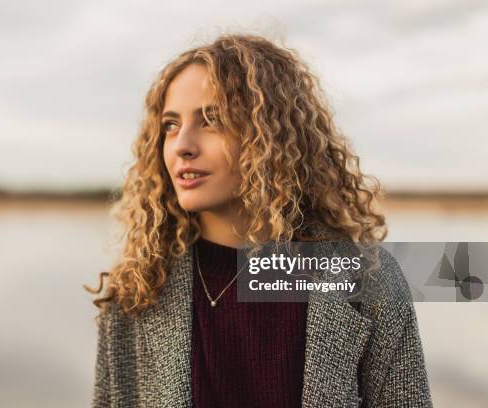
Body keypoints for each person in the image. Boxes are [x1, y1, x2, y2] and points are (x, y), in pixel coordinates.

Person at [86, 33, 433, 407]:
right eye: (170, 125)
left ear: (271, 134)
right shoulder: (136, 292)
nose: (182, 144)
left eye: (212, 119)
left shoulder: (368, 280)